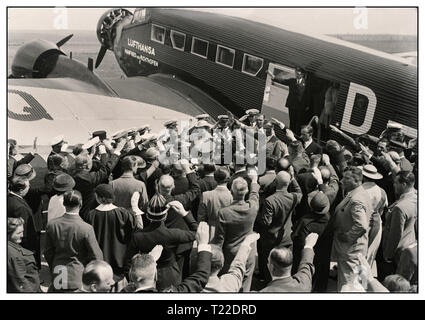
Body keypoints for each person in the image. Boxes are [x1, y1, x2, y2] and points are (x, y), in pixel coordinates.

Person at [124, 195, 198, 291]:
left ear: (147, 215)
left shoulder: (138, 236)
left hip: (146, 275)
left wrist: (132, 280)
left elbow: (128, 262)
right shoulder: (172, 234)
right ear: (165, 215)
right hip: (169, 275)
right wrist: (184, 213)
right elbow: (197, 233)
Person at [123, 222, 212, 293]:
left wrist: (150, 260)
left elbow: (128, 263)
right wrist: (203, 244)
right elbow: (201, 276)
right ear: (156, 276)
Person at [44, 190, 103, 292]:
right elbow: (97, 256)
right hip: (77, 276)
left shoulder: (52, 225)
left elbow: (48, 252)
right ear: (80, 204)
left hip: (58, 274)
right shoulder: (86, 228)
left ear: (63, 203)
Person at [212, 171, 260, 292]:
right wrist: (254, 181)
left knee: (230, 284)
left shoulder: (224, 213)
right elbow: (255, 194)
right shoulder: (253, 207)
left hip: (230, 255)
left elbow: (219, 239)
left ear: (231, 192)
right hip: (249, 252)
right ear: (246, 191)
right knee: (246, 284)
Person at [331, 166, 372, 291]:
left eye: (346, 178)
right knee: (358, 284)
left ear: (356, 180)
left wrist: (348, 236)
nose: (342, 181)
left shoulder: (356, 199)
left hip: (351, 252)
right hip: (356, 250)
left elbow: (362, 225)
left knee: (347, 286)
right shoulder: (359, 193)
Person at [257, 171, 302, 282]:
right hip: (286, 236)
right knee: (284, 263)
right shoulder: (294, 197)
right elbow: (298, 191)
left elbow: (266, 222)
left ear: (275, 181)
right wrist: (292, 178)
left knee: (269, 263)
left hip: (271, 239)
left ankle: (268, 282)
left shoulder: (270, 201)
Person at [85, 184, 138, 276]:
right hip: (120, 260)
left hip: (100, 261)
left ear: (99, 197)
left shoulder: (91, 215)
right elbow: (132, 233)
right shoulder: (123, 213)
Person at [73, 139, 124, 220]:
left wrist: (92, 154)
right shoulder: (89, 178)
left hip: (77, 211)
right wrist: (117, 152)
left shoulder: (73, 174)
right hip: (86, 214)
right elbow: (106, 170)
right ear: (86, 166)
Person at [382, 171, 417, 275]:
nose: (394, 185)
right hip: (410, 243)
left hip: (398, 252)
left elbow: (395, 234)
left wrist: (388, 254)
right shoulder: (416, 197)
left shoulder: (400, 208)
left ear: (404, 184)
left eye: (396, 182)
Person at [291, 190, 330, 273]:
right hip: (321, 254)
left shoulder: (305, 221)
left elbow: (296, 239)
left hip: (304, 255)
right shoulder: (329, 218)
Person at [269, 67, 311, 135]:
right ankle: (291, 134)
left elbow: (308, 95)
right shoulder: (292, 81)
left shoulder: (306, 83)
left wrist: (307, 105)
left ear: (302, 74)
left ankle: (297, 135)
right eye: (296, 73)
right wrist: (273, 77)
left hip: (300, 106)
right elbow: (283, 81)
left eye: (298, 74)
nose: (296, 75)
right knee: (292, 121)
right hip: (291, 105)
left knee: (299, 122)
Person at [360, 165, 388, 267]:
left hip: (360, 221)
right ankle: (364, 278)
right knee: (370, 253)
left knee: (357, 251)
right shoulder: (382, 191)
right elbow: (382, 210)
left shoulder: (359, 189)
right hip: (376, 223)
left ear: (363, 176)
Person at [197, 167, 233, 241]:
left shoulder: (206, 195)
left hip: (210, 231)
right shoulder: (232, 195)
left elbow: (201, 217)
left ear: (215, 178)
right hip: (228, 232)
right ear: (228, 179)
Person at [7, 217, 41, 292]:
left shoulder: (13, 246)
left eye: (22, 231)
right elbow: (20, 283)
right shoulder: (13, 255)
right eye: (18, 233)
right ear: (8, 233)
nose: (22, 235)